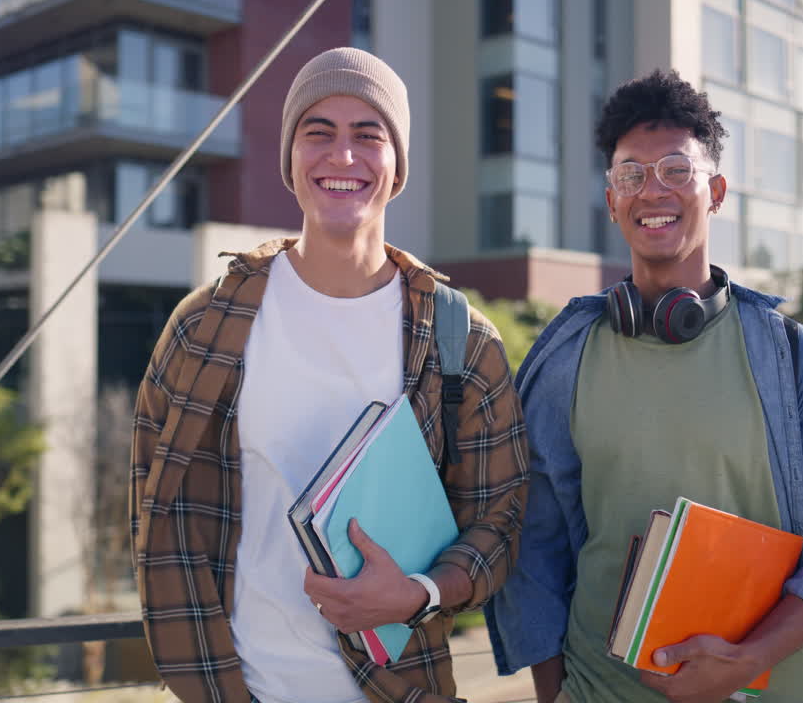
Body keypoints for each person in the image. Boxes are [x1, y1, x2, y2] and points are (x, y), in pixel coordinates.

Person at [130, 48, 530, 703]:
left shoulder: (461, 339)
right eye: (318, 132)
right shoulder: (205, 325)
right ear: (290, 159)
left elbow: (502, 516)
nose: (342, 158)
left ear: (397, 165)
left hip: (402, 689)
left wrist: (420, 593)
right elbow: (153, 503)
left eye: (368, 135)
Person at [485, 69, 803, 703]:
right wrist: (557, 694)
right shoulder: (565, 360)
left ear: (716, 191)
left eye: (676, 170)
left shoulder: (798, 359)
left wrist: (747, 658)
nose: (652, 191)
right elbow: (535, 546)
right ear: (612, 200)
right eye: (630, 175)